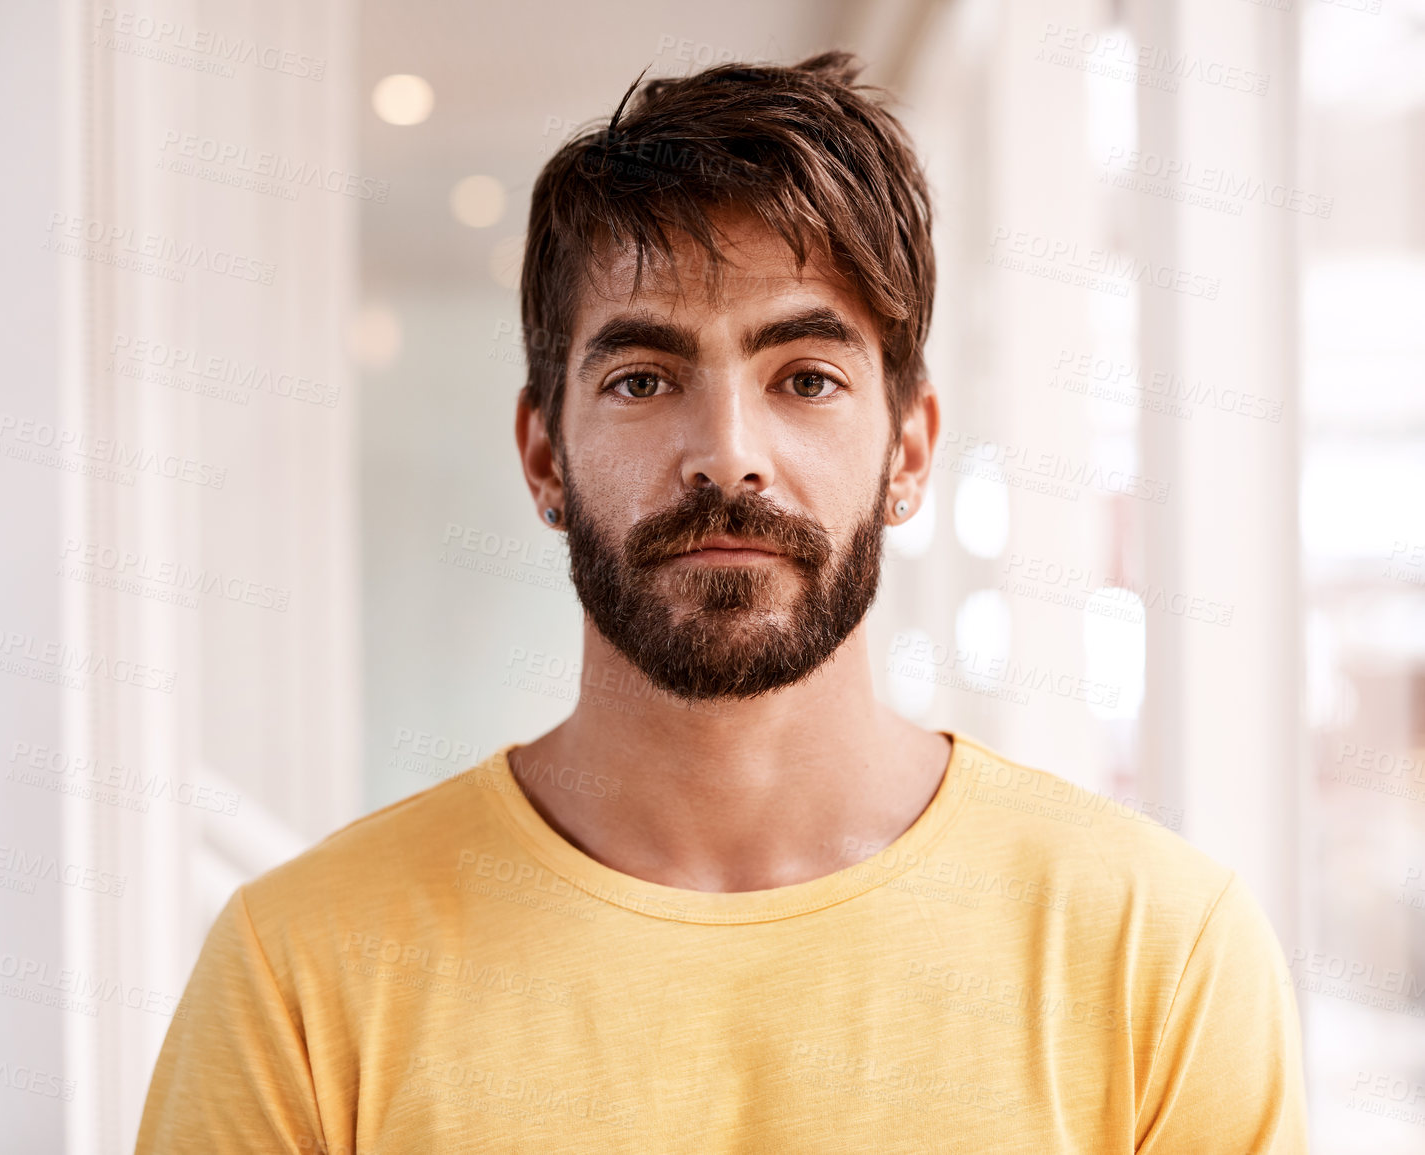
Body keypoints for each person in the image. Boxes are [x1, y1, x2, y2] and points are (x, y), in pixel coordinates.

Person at [135, 52, 1306, 1153]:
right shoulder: (300, 972)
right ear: (544, 456)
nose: (728, 454)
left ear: (909, 449)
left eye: (806, 377)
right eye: (644, 379)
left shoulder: (1157, 952)